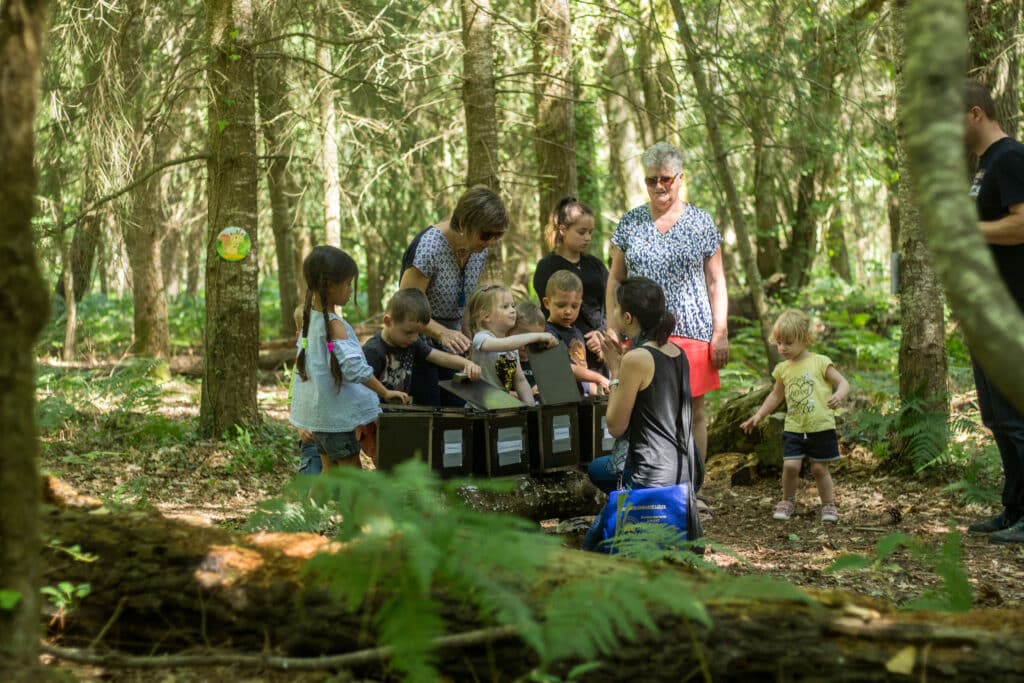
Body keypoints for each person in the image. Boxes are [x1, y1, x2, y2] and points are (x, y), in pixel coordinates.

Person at [606, 142, 728, 483]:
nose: (659, 186)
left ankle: (693, 488)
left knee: (693, 414)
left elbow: (717, 280)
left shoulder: (701, 222)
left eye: (666, 179)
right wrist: (613, 323)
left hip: (692, 331)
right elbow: (616, 278)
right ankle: (650, 483)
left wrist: (720, 331)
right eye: (651, 180)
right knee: (645, 413)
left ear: (680, 178)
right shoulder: (630, 222)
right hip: (641, 333)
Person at [582, 277, 701, 550]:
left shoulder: (637, 359)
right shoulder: (678, 353)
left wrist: (615, 371)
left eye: (615, 309)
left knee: (591, 548)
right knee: (599, 469)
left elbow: (615, 426)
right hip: (685, 470)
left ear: (627, 317)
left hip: (649, 475)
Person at [963, 79, 1024, 544]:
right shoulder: (984, 166)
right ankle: (1014, 509)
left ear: (976, 114)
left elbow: (1021, 224)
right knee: (997, 417)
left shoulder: (1010, 158)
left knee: (1016, 416)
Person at [290, 246, 410, 473]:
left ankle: (309, 509)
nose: (350, 289)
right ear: (329, 285)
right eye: (347, 283)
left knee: (329, 473)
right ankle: (360, 510)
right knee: (352, 475)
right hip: (337, 421)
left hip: (321, 419)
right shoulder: (334, 325)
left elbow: (328, 355)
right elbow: (354, 368)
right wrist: (384, 392)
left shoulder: (310, 320)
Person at [399, 186, 509, 406]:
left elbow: (466, 303)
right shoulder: (430, 247)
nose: (490, 242)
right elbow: (406, 307)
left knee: (458, 413)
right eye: (486, 235)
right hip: (419, 342)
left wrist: (468, 339)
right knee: (431, 413)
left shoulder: (479, 251)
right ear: (463, 224)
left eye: (497, 236)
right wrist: (442, 333)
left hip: (454, 342)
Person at [740, 310, 849, 522]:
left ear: (804, 339)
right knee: (790, 466)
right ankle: (788, 500)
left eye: (788, 343)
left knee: (819, 468)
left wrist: (839, 395)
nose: (782, 348)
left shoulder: (820, 362)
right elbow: (775, 395)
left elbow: (844, 383)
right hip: (795, 427)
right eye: (779, 342)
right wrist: (759, 416)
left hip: (820, 426)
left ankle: (828, 505)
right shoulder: (783, 369)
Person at [534, 196, 609, 372]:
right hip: (565, 347)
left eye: (591, 232)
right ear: (563, 229)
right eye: (582, 232)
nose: (588, 238)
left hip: (600, 347)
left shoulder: (596, 265)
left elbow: (610, 302)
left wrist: (602, 333)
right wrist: (579, 338)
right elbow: (550, 310)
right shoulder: (547, 266)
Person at [363, 288, 482, 396]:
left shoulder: (412, 343)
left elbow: (440, 357)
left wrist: (467, 364)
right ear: (388, 322)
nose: (414, 338)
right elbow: (362, 382)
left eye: (418, 333)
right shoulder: (373, 351)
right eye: (408, 332)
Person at [465, 284, 557, 405]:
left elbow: (519, 380)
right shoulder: (481, 337)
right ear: (486, 316)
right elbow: (503, 345)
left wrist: (531, 407)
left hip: (501, 407)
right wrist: (539, 336)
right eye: (505, 307)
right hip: (479, 410)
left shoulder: (512, 346)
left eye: (513, 306)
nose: (513, 310)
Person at [543, 269, 611, 395]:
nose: (568, 311)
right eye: (561, 305)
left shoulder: (577, 332)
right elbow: (564, 368)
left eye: (574, 306)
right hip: (562, 400)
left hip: (581, 399)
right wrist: (599, 378)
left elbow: (582, 371)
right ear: (547, 303)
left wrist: (596, 391)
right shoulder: (548, 334)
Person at [510, 300, 547, 397]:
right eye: (522, 337)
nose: (527, 343)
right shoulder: (505, 359)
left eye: (534, 339)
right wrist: (525, 393)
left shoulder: (540, 361)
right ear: (509, 332)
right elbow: (499, 393)